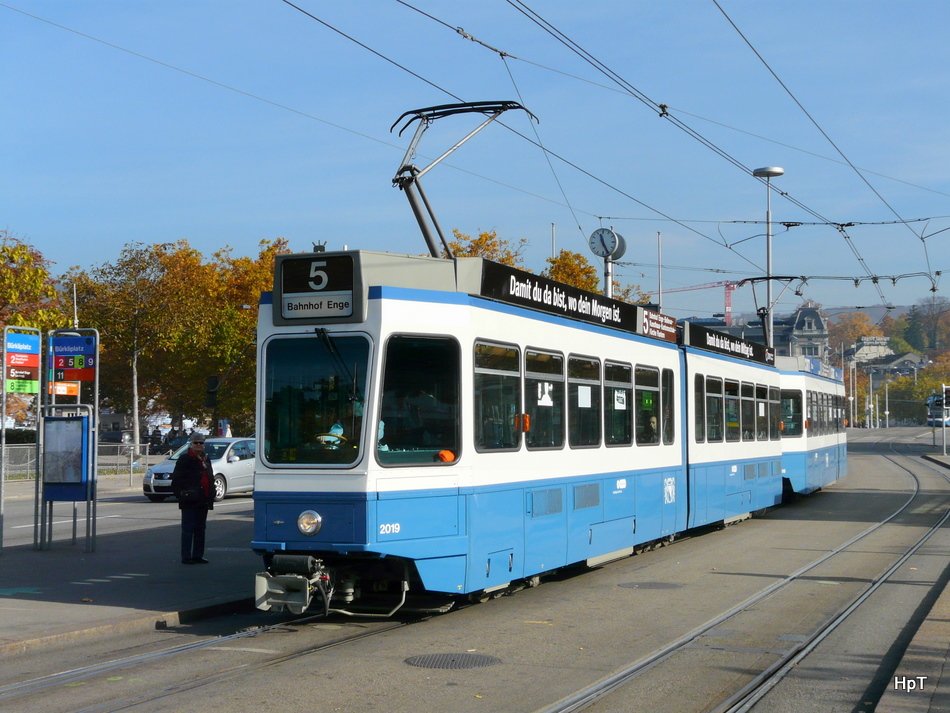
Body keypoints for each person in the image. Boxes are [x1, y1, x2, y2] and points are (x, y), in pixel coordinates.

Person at [171, 431, 215, 564]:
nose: (199, 445)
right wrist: (182, 494)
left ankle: (198, 555)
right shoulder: (185, 459)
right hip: (189, 500)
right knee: (188, 529)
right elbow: (176, 479)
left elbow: (210, 477)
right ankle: (186, 556)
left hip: (203, 499)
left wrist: (211, 494)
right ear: (191, 444)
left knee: (200, 529)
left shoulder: (205, 459)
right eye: (196, 442)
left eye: (201, 443)